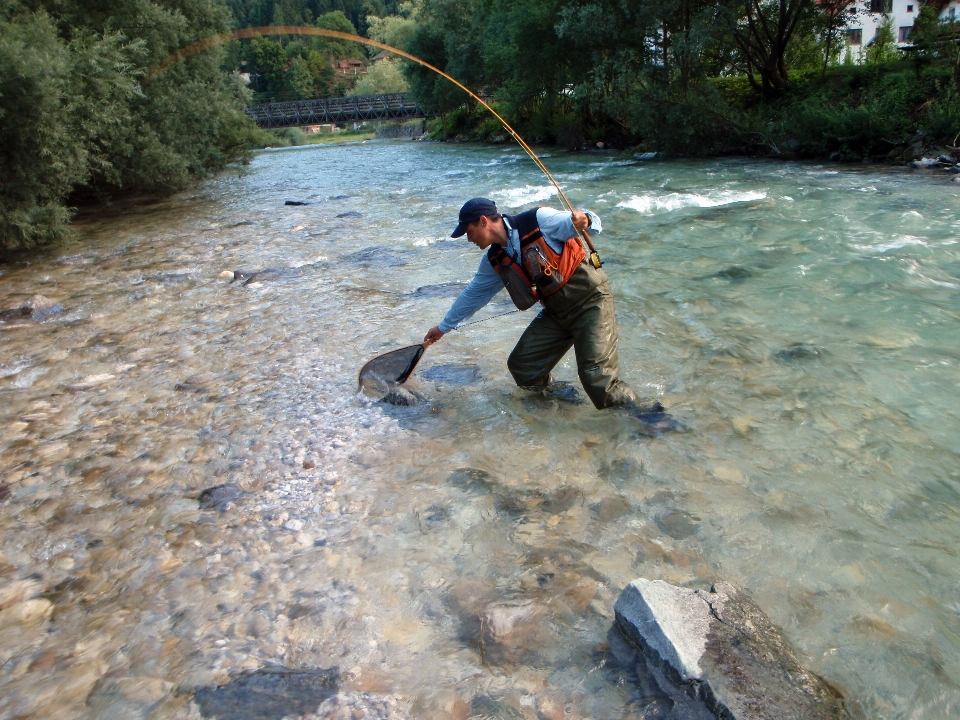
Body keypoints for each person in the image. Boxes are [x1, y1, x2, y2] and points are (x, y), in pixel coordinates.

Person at [424, 197, 647, 411]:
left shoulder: (539, 220)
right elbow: (473, 295)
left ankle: (649, 417)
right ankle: (562, 403)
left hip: (591, 301)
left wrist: (585, 219)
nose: (469, 239)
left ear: (483, 221)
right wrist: (443, 327)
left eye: (468, 232)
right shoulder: (494, 259)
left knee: (597, 377)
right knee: (523, 366)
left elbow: (586, 222)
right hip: (557, 313)